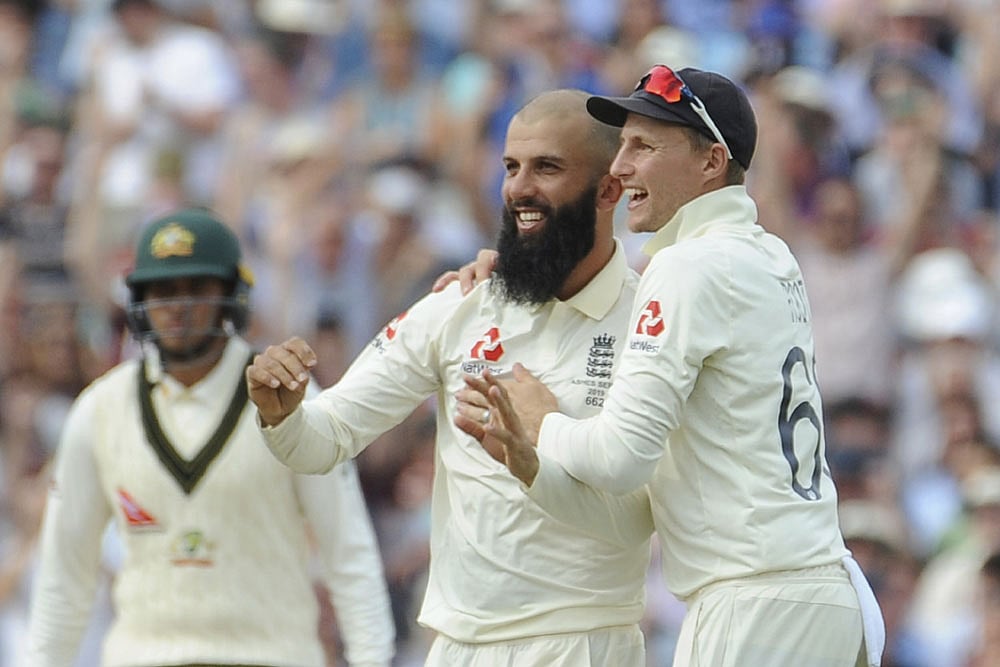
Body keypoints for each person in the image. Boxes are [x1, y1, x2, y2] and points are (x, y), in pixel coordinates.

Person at [470, 65, 886, 667]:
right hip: (820, 593)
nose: (619, 166)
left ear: (712, 160)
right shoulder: (770, 255)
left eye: (644, 146)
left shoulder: (688, 265)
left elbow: (619, 459)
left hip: (755, 603)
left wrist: (542, 423)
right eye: (622, 146)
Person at [246, 89, 655, 666]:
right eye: (511, 167)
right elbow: (327, 438)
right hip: (457, 646)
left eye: (548, 168)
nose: (519, 189)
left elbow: (638, 520)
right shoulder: (459, 304)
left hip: (586, 642)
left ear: (609, 189)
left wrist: (534, 459)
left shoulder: (650, 324)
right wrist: (280, 412)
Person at [25, 208, 395, 667]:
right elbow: (65, 575)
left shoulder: (289, 395)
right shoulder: (101, 409)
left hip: (269, 656)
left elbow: (349, 554)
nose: (178, 307)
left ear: (231, 295)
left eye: (196, 288)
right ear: (139, 300)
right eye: (162, 290)